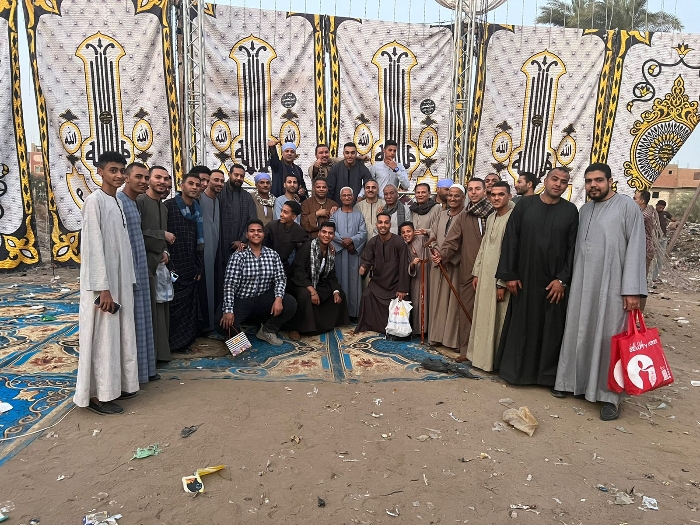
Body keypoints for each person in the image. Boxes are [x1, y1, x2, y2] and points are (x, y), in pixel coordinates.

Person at [554, 163, 647, 421]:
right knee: (580, 331)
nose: (593, 185)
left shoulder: (627, 207)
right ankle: (574, 383)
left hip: (613, 287)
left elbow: (636, 248)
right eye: (589, 181)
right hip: (582, 286)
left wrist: (632, 290)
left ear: (610, 181)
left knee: (609, 339)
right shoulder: (584, 210)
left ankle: (610, 397)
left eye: (598, 180)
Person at [494, 167, 579, 387]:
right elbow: (511, 240)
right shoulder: (525, 205)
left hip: (553, 285)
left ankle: (546, 377)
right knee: (522, 327)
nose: (558, 184)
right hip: (524, 280)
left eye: (563, 181)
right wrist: (510, 275)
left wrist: (562, 280)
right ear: (545, 180)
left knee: (550, 329)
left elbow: (573, 249)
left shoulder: (570, 211)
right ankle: (516, 374)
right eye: (554, 179)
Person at [74, 151, 138, 415]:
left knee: (118, 335)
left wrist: (127, 281)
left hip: (119, 282)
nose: (119, 175)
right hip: (104, 287)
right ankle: (97, 395)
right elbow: (92, 248)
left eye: (122, 171)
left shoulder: (117, 201)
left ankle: (116, 387)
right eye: (113, 170)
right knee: (101, 339)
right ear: (100, 172)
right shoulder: (94, 201)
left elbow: (122, 246)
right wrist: (104, 289)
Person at [435, 179, 495, 362]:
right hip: (469, 270)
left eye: (477, 189)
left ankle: (490, 353)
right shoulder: (465, 215)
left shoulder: (495, 213)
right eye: (471, 189)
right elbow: (452, 240)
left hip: (493, 270)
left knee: (491, 312)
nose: (474, 192)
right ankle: (467, 350)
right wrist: (442, 255)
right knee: (467, 309)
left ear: (485, 191)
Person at [220, 219, 298, 346]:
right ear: (247, 235)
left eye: (259, 231)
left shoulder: (272, 255)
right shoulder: (238, 256)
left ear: (263, 234)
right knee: (222, 323)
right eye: (252, 231)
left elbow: (280, 278)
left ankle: (267, 331)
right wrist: (228, 310)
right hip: (242, 300)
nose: (256, 233)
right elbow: (229, 285)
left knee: (290, 303)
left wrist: (278, 299)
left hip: (263, 298)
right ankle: (240, 337)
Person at [466, 181, 514, 372]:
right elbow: (484, 246)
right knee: (482, 317)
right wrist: (477, 272)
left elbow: (511, 253)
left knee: (497, 319)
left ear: (509, 196)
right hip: (485, 277)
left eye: (501, 194)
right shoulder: (492, 216)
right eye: (493, 195)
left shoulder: (513, 218)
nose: (496, 198)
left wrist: (502, 283)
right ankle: (480, 359)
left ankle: (494, 362)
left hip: (499, 278)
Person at [117, 163, 157, 383]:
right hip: (127, 273)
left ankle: (143, 372)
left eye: (146, 177)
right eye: (138, 177)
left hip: (140, 269)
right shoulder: (119, 202)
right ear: (126, 177)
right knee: (130, 324)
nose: (143, 181)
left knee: (142, 320)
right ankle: (130, 378)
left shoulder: (133, 202)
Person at [136, 165, 173, 362]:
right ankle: (149, 358)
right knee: (149, 312)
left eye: (166, 179)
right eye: (158, 177)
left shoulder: (163, 207)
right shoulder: (140, 202)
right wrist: (161, 235)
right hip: (143, 265)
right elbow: (135, 234)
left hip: (158, 265)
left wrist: (165, 251)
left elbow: (163, 238)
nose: (162, 182)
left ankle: (161, 354)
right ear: (149, 179)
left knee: (161, 309)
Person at [165, 173, 204, 352]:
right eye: (191, 183)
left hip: (190, 262)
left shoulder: (197, 210)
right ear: (182, 185)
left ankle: (186, 340)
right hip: (173, 262)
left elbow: (199, 241)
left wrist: (199, 266)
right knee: (173, 305)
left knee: (189, 305)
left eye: (197, 184)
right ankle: (172, 343)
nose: (194, 187)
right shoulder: (169, 207)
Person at [289, 222, 350, 335]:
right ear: (319, 233)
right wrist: (312, 291)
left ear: (333, 235)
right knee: (305, 295)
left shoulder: (330, 251)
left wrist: (336, 291)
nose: (327, 235)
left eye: (330, 233)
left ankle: (322, 325)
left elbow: (331, 275)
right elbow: (298, 271)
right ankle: (297, 329)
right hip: (301, 283)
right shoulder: (308, 246)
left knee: (339, 294)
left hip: (318, 282)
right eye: (324, 232)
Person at [356, 212, 410, 334]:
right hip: (378, 283)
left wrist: (402, 288)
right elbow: (367, 260)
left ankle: (393, 328)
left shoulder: (399, 242)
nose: (383, 225)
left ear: (390, 225)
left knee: (403, 298)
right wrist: (364, 267)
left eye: (386, 222)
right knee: (366, 295)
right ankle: (370, 326)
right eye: (380, 222)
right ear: (376, 225)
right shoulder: (372, 242)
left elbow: (404, 266)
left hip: (395, 283)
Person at [428, 184, 465, 350]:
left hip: (455, 265)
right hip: (437, 263)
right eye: (450, 195)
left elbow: (464, 242)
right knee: (437, 301)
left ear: (463, 198)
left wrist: (448, 258)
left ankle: (451, 340)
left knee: (453, 304)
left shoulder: (465, 216)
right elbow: (433, 235)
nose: (452, 198)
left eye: (456, 196)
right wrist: (436, 252)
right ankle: (436, 336)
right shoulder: (442, 214)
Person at [217, 163, 256, 319]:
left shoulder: (247, 197)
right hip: (218, 247)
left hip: (239, 249)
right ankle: (219, 317)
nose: (239, 178)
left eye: (241, 176)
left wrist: (242, 240)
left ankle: (235, 316)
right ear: (230, 175)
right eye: (236, 175)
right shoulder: (219, 193)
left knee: (237, 283)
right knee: (219, 282)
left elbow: (252, 221)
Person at [331, 187, 368, 319]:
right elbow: (331, 231)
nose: (346, 197)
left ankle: (353, 313)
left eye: (349, 195)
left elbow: (363, 233)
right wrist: (343, 242)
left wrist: (352, 241)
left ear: (353, 197)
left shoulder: (358, 215)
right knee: (339, 280)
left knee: (354, 283)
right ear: (340, 197)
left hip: (353, 254)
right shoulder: (335, 215)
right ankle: (340, 314)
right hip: (339, 254)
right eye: (344, 195)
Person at [199, 168, 224, 333]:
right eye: (216, 180)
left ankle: (212, 323)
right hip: (202, 252)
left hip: (215, 251)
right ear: (208, 181)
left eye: (222, 181)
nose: (219, 183)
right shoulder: (199, 198)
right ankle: (204, 325)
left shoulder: (218, 201)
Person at [264, 200, 310, 278]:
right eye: (281, 211)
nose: (281, 214)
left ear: (293, 217)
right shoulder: (272, 226)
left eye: (285, 212)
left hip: (286, 267)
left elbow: (309, 241)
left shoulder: (298, 230)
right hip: (268, 265)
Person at [400, 221, 430, 337]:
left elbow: (434, 236)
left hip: (428, 274)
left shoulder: (422, 239)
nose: (406, 234)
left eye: (408, 231)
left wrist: (426, 232)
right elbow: (407, 265)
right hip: (416, 278)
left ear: (414, 231)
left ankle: (429, 329)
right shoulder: (404, 247)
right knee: (417, 303)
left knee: (429, 300)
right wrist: (412, 264)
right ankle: (418, 330)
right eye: (403, 232)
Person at [634, 189, 662, 291]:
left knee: (640, 280)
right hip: (642, 250)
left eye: (635, 198)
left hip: (645, 250)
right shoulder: (643, 211)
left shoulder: (644, 215)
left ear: (642, 201)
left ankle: (641, 300)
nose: (633, 201)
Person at [354, 179, 385, 243]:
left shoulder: (384, 204)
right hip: (362, 243)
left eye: (373, 187)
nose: (370, 190)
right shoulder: (358, 206)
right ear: (364, 190)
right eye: (368, 187)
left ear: (378, 190)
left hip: (381, 242)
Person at [653, 200, 673, 282]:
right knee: (651, 258)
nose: (661, 209)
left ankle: (654, 277)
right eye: (660, 207)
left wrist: (676, 223)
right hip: (654, 238)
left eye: (662, 208)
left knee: (660, 258)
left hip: (663, 238)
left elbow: (674, 219)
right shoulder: (652, 213)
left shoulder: (666, 213)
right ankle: (647, 277)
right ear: (656, 205)